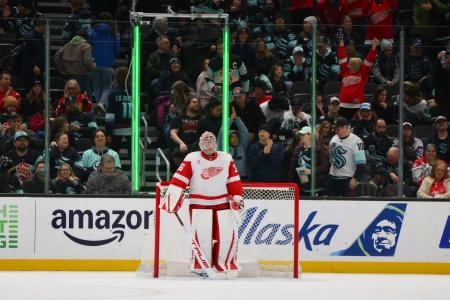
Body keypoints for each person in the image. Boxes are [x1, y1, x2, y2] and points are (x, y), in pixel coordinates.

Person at [160, 131, 243, 278]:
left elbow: (233, 179)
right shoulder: (192, 158)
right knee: (202, 237)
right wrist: (172, 198)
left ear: (216, 142)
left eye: (211, 139)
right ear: (200, 143)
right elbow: (180, 179)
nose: (209, 142)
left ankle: (224, 265)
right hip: (199, 204)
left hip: (222, 203)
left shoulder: (226, 158)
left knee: (226, 237)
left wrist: (237, 196)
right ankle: (201, 265)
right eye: (205, 139)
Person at [337, 36, 378, 120]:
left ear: (356, 66)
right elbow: (342, 58)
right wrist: (341, 42)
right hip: (343, 104)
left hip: (357, 105)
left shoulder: (362, 74)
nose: (348, 65)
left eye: (350, 64)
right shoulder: (345, 71)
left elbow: (368, 61)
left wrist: (373, 47)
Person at [327, 117, 367, 197]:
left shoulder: (356, 141)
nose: (336, 131)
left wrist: (355, 178)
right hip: (333, 178)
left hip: (347, 179)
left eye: (338, 129)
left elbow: (361, 164)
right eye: (334, 129)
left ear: (346, 127)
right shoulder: (334, 139)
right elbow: (330, 159)